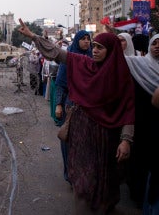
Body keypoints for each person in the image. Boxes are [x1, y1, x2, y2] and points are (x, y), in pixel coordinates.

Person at [18, 18, 135, 214]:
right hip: (82, 133)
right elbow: (58, 54)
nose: (94, 50)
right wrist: (34, 37)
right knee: (83, 179)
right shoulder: (84, 64)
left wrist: (126, 140)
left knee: (105, 181)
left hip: (107, 137)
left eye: (100, 47)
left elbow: (128, 109)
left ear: (111, 51)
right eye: (93, 46)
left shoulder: (121, 77)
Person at [125, 34, 159, 213]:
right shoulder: (139, 64)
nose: (157, 47)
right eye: (155, 43)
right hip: (141, 120)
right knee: (140, 160)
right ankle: (138, 195)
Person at [54, 30, 92, 184]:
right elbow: (61, 83)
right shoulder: (70, 57)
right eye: (82, 39)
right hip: (70, 105)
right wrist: (58, 104)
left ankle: (83, 174)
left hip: (88, 106)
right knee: (68, 140)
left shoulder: (92, 57)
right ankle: (69, 175)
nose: (86, 42)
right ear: (77, 41)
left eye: (88, 39)